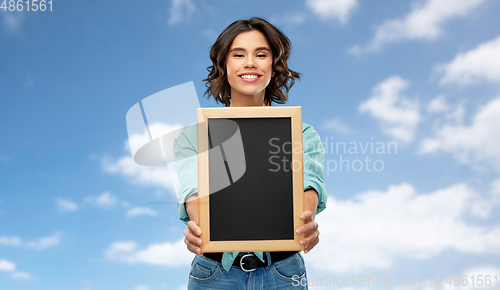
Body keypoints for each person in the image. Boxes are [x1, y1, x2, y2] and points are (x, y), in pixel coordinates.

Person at [173, 17, 327, 289]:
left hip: (283, 272)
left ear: (274, 65)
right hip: (214, 273)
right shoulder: (192, 137)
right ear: (224, 65)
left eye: (261, 54)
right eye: (238, 54)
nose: (250, 63)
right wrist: (200, 228)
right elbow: (193, 194)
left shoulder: (301, 133)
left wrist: (306, 221)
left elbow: (309, 184)